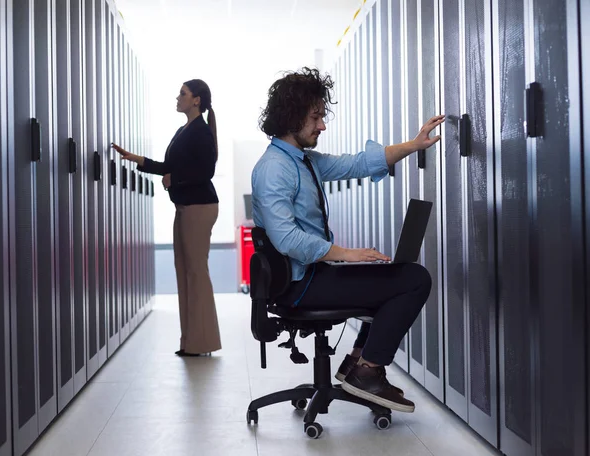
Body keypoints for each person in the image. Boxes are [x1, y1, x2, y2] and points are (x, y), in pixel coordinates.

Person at [251, 67, 444, 413]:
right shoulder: (274, 169)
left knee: (394, 275)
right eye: (315, 117)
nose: (322, 126)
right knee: (414, 280)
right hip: (301, 284)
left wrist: (414, 145)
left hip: (311, 276)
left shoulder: (301, 161)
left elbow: (355, 164)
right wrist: (346, 254)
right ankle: (367, 371)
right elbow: (286, 239)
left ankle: (357, 362)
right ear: (292, 117)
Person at [112, 79, 221, 357]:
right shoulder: (182, 130)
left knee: (196, 273)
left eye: (183, 93)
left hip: (199, 206)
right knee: (184, 272)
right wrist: (135, 158)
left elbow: (206, 171)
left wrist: (175, 179)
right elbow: (167, 167)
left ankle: (203, 342)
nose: (178, 97)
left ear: (196, 100)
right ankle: (190, 341)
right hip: (184, 206)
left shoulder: (202, 131)